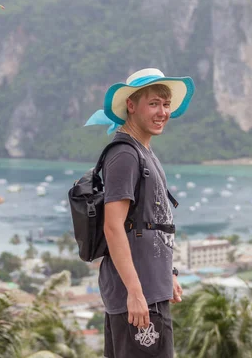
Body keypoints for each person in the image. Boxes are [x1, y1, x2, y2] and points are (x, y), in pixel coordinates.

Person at [85, 68, 195, 357]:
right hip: (139, 297)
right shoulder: (124, 155)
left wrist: (167, 273)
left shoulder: (143, 151)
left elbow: (150, 222)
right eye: (154, 103)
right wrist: (135, 292)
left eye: (166, 104)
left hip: (150, 290)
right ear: (131, 106)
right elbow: (113, 227)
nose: (162, 112)